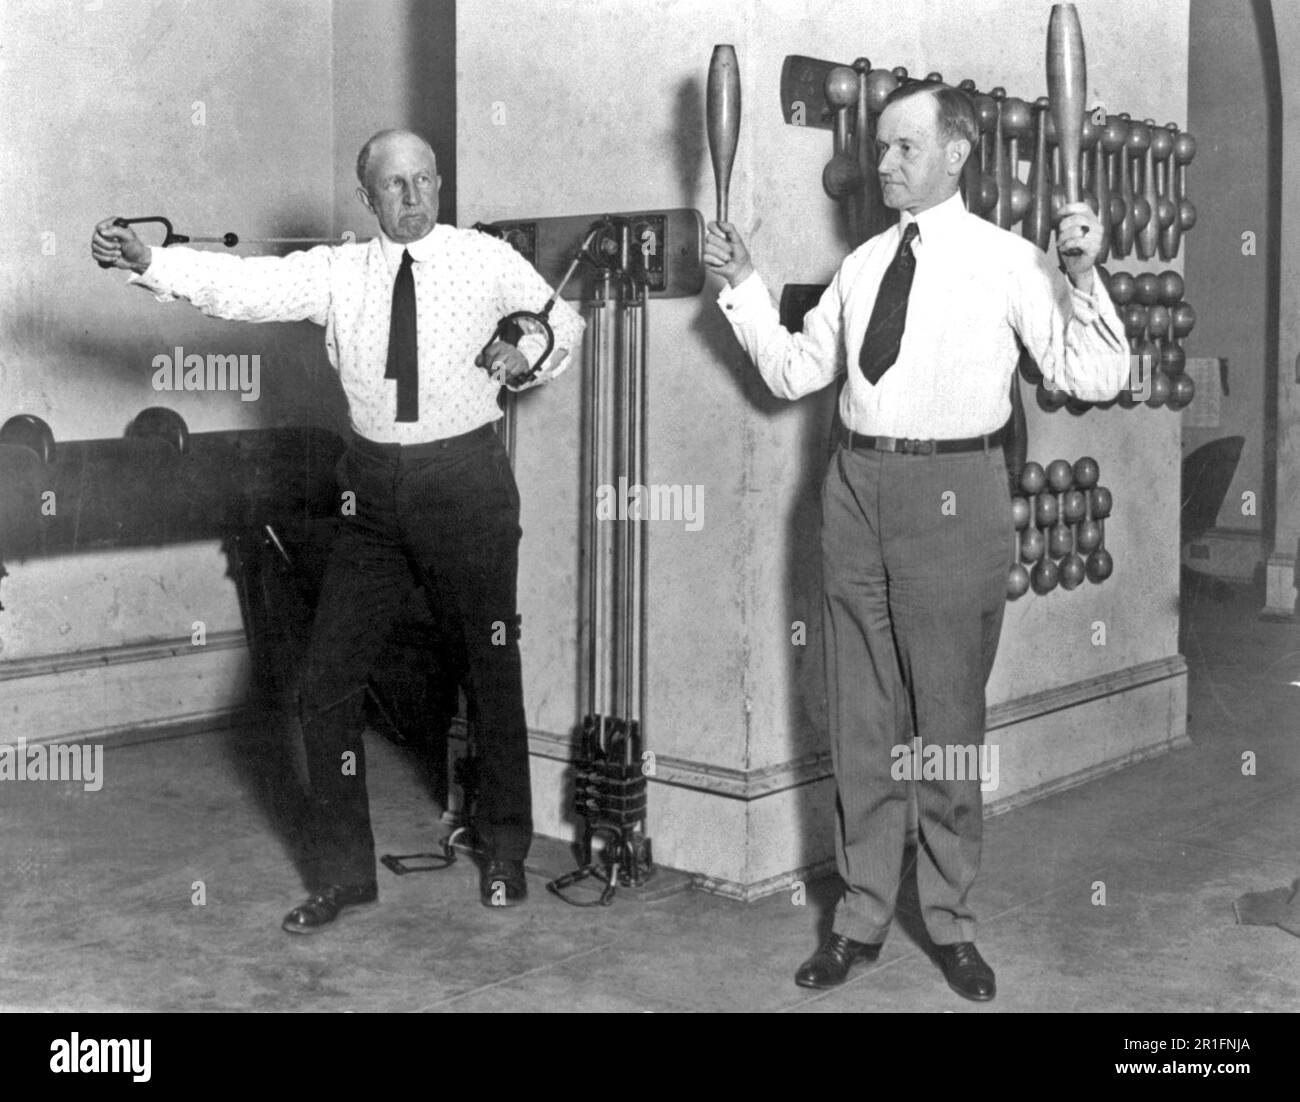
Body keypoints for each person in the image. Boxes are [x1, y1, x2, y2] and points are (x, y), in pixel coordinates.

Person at [91, 128, 585, 933]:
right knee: (324, 683)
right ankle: (344, 875)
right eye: (396, 185)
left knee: (489, 667)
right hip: (372, 498)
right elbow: (242, 288)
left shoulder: (484, 261)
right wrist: (149, 263)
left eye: (426, 180)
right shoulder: (337, 272)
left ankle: (503, 852)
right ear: (367, 196)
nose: (416, 196)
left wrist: (526, 343)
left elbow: (562, 326)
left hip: (466, 483)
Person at [703, 83, 1126, 1000]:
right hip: (852, 486)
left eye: (904, 147)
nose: (885, 164)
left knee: (948, 724)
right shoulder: (861, 266)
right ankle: (860, 917)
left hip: (954, 491)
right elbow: (790, 374)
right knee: (862, 717)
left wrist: (1087, 274)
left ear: (958, 153)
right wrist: (741, 284)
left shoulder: (1014, 262)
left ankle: (950, 921)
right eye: (883, 148)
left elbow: (1094, 370)